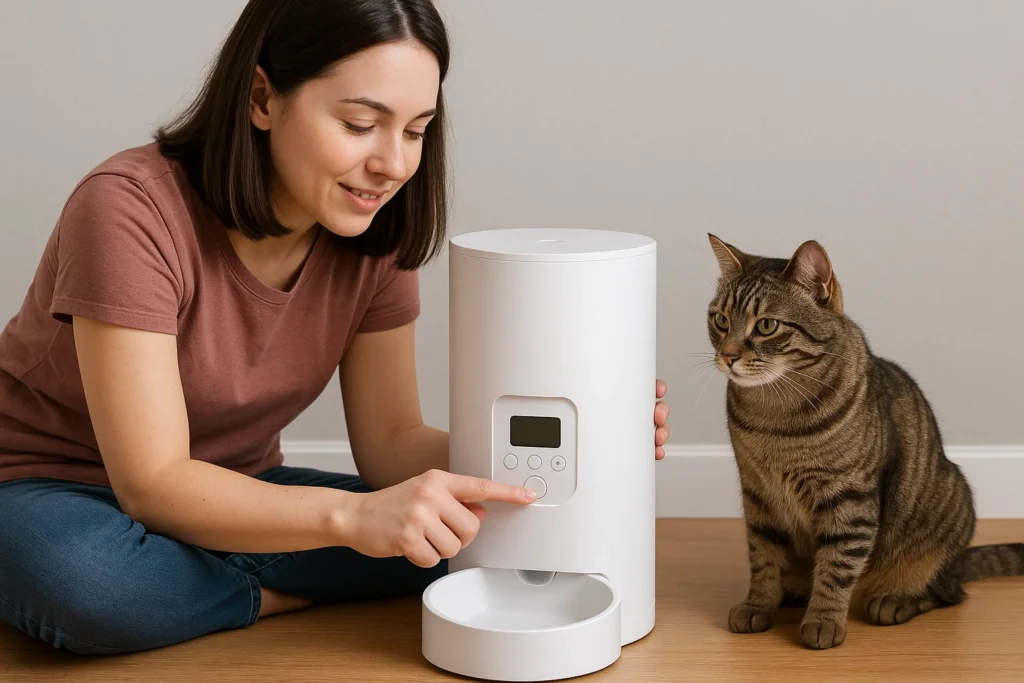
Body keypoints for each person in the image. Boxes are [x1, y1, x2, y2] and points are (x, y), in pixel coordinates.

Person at [0, 0, 671, 656]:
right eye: (359, 124)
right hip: (49, 487)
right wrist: (349, 520)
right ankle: (264, 592)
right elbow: (153, 482)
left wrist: (587, 447)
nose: (394, 165)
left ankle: (191, 583)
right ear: (262, 98)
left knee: (459, 537)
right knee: (85, 582)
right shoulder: (128, 209)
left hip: (240, 493)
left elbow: (391, 442)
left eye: (415, 131)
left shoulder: (374, 237)